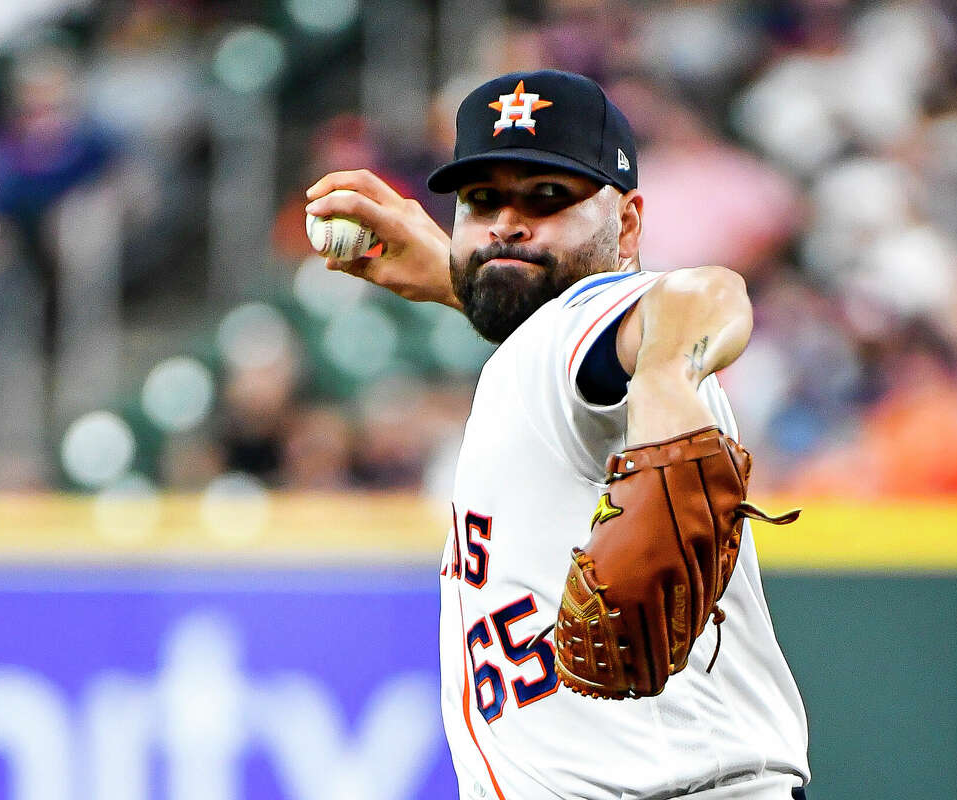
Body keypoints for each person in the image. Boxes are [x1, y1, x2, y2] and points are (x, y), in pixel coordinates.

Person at [304, 70, 810, 800]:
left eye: (547, 199)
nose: (508, 223)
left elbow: (703, 295)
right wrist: (462, 282)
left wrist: (667, 383)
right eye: (483, 202)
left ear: (628, 226)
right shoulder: (542, 360)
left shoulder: (589, 325)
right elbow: (544, 339)